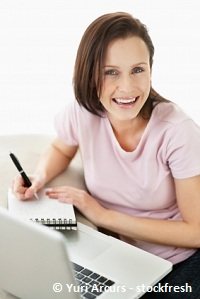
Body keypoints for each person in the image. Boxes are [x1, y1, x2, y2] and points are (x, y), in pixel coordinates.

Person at [13, 12, 200, 298]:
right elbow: (61, 148)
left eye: (138, 69)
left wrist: (103, 216)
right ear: (90, 74)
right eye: (110, 71)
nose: (127, 88)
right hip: (119, 256)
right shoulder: (83, 113)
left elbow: (195, 232)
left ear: (151, 68)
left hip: (179, 264)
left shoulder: (177, 131)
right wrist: (38, 177)